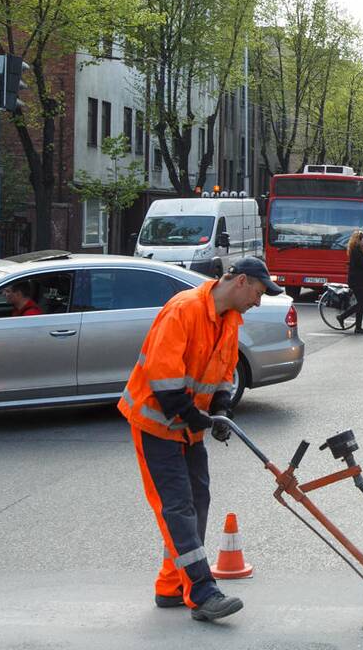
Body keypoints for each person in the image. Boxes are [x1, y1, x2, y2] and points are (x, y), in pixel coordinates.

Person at [118, 257, 283, 622]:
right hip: (156, 423)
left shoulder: (230, 320)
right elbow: (162, 377)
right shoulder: (184, 310)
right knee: (177, 506)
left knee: (197, 500)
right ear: (240, 281)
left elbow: (224, 371)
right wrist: (193, 415)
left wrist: (221, 406)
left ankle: (171, 585)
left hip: (186, 425)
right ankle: (202, 590)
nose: (258, 302)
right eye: (257, 292)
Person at [336, 229, 363, 335]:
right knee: (362, 303)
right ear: (359, 240)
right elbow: (362, 265)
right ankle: (342, 317)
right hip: (357, 281)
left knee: (361, 304)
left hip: (360, 280)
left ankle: (358, 328)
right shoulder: (355, 250)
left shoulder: (359, 249)